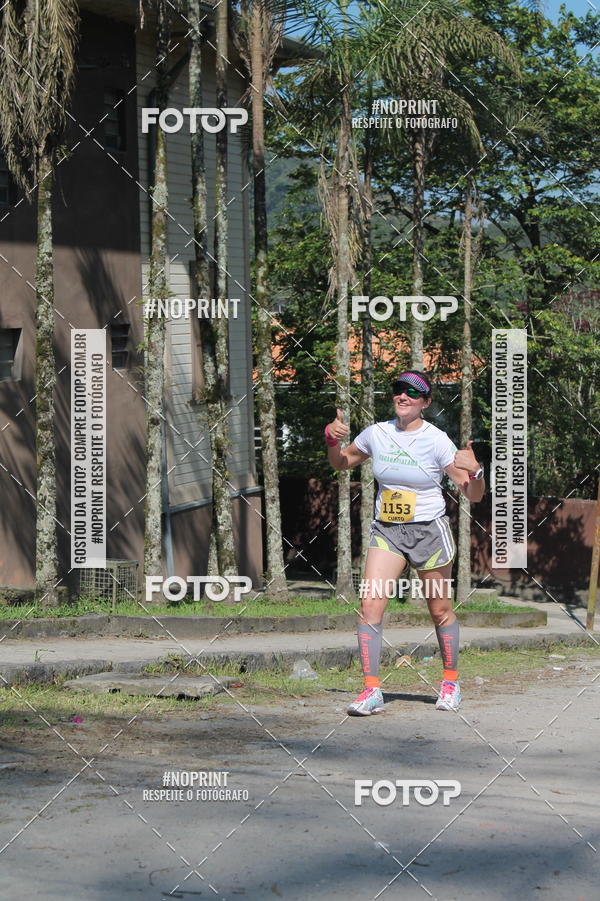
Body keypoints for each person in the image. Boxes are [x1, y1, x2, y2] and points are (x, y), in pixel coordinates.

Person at [324, 370, 485, 716]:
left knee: (439, 610)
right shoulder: (376, 434)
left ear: (425, 403)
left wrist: (476, 472)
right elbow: (341, 463)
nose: (403, 396)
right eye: (399, 390)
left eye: (413, 393)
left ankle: (451, 683)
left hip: (429, 532)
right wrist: (331, 440)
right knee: (369, 606)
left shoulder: (437, 440)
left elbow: (472, 494)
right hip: (388, 531)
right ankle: (371, 690)